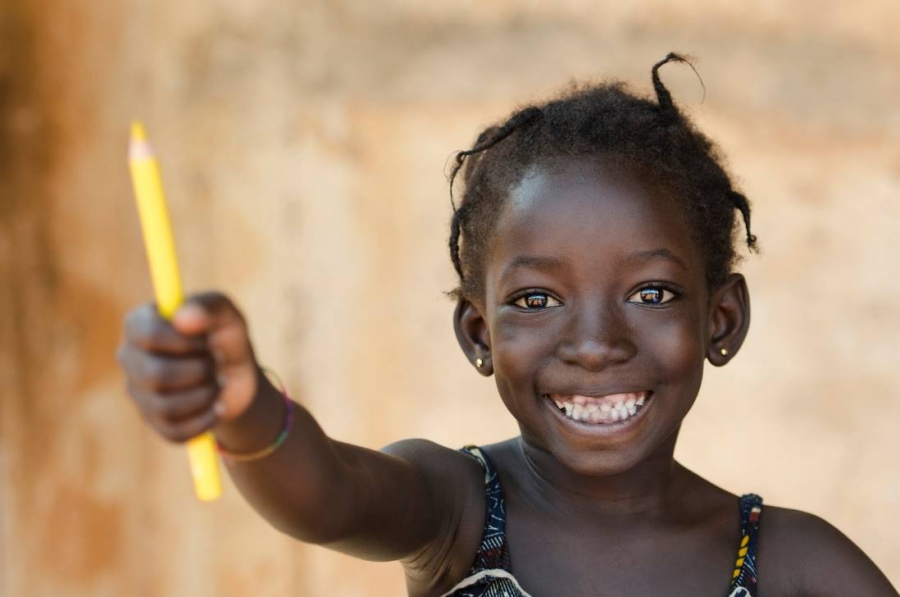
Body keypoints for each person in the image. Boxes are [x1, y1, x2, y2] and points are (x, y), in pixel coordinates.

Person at [116, 54, 898, 596]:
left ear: (721, 319)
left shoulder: (795, 566)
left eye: (652, 293)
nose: (595, 344)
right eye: (535, 299)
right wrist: (247, 411)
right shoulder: (454, 509)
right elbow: (331, 495)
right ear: (478, 333)